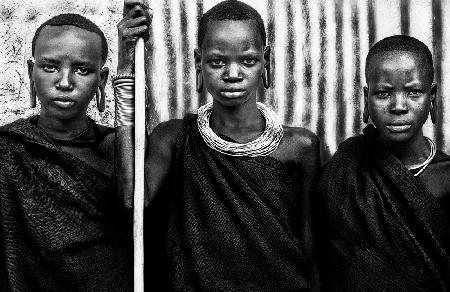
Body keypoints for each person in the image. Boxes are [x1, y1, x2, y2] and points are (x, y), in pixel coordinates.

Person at [115, 0, 320, 290]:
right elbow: (131, 198)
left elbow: (310, 246)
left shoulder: (299, 146)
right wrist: (126, 65)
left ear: (267, 61)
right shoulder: (172, 139)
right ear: (198, 62)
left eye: (248, 60)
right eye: (217, 61)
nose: (232, 74)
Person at [0, 14, 137, 291]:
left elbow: (132, 202)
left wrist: (127, 63)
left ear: (102, 79)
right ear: (31, 72)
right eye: (49, 67)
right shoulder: (7, 149)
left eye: (82, 70)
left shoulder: (116, 147)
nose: (64, 82)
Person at [316, 35, 450, 291]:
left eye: (413, 92)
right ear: (367, 99)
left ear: (432, 97)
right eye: (383, 93)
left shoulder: (447, 177)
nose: (398, 106)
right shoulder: (343, 172)